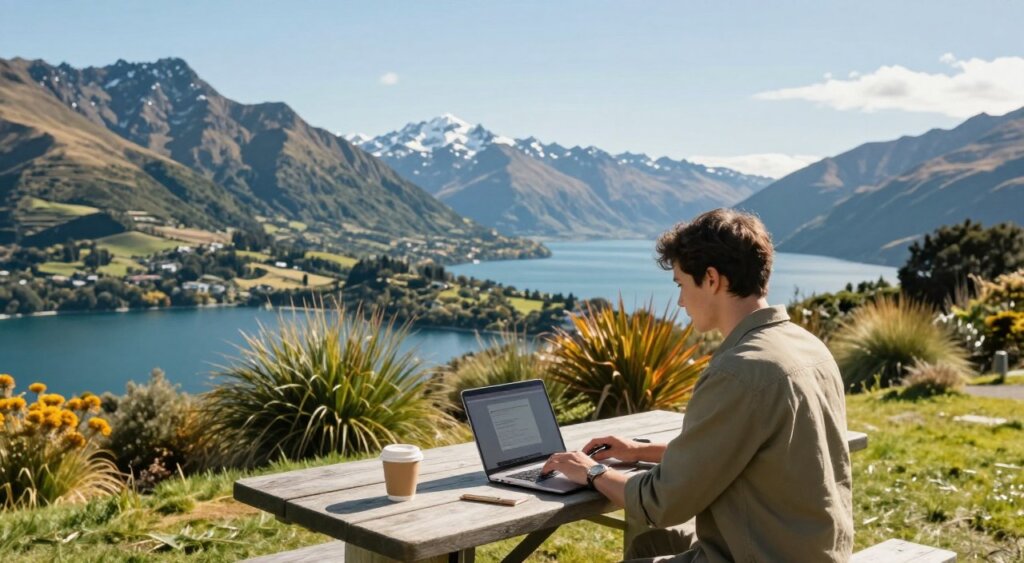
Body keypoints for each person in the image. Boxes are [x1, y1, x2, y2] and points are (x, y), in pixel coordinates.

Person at [541, 208, 853, 562]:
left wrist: (592, 471)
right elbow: (740, 448)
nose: (680, 301)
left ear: (711, 278)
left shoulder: (739, 371)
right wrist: (637, 450)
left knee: (656, 529)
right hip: (815, 552)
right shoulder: (809, 347)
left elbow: (661, 502)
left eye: (681, 284)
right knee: (651, 543)